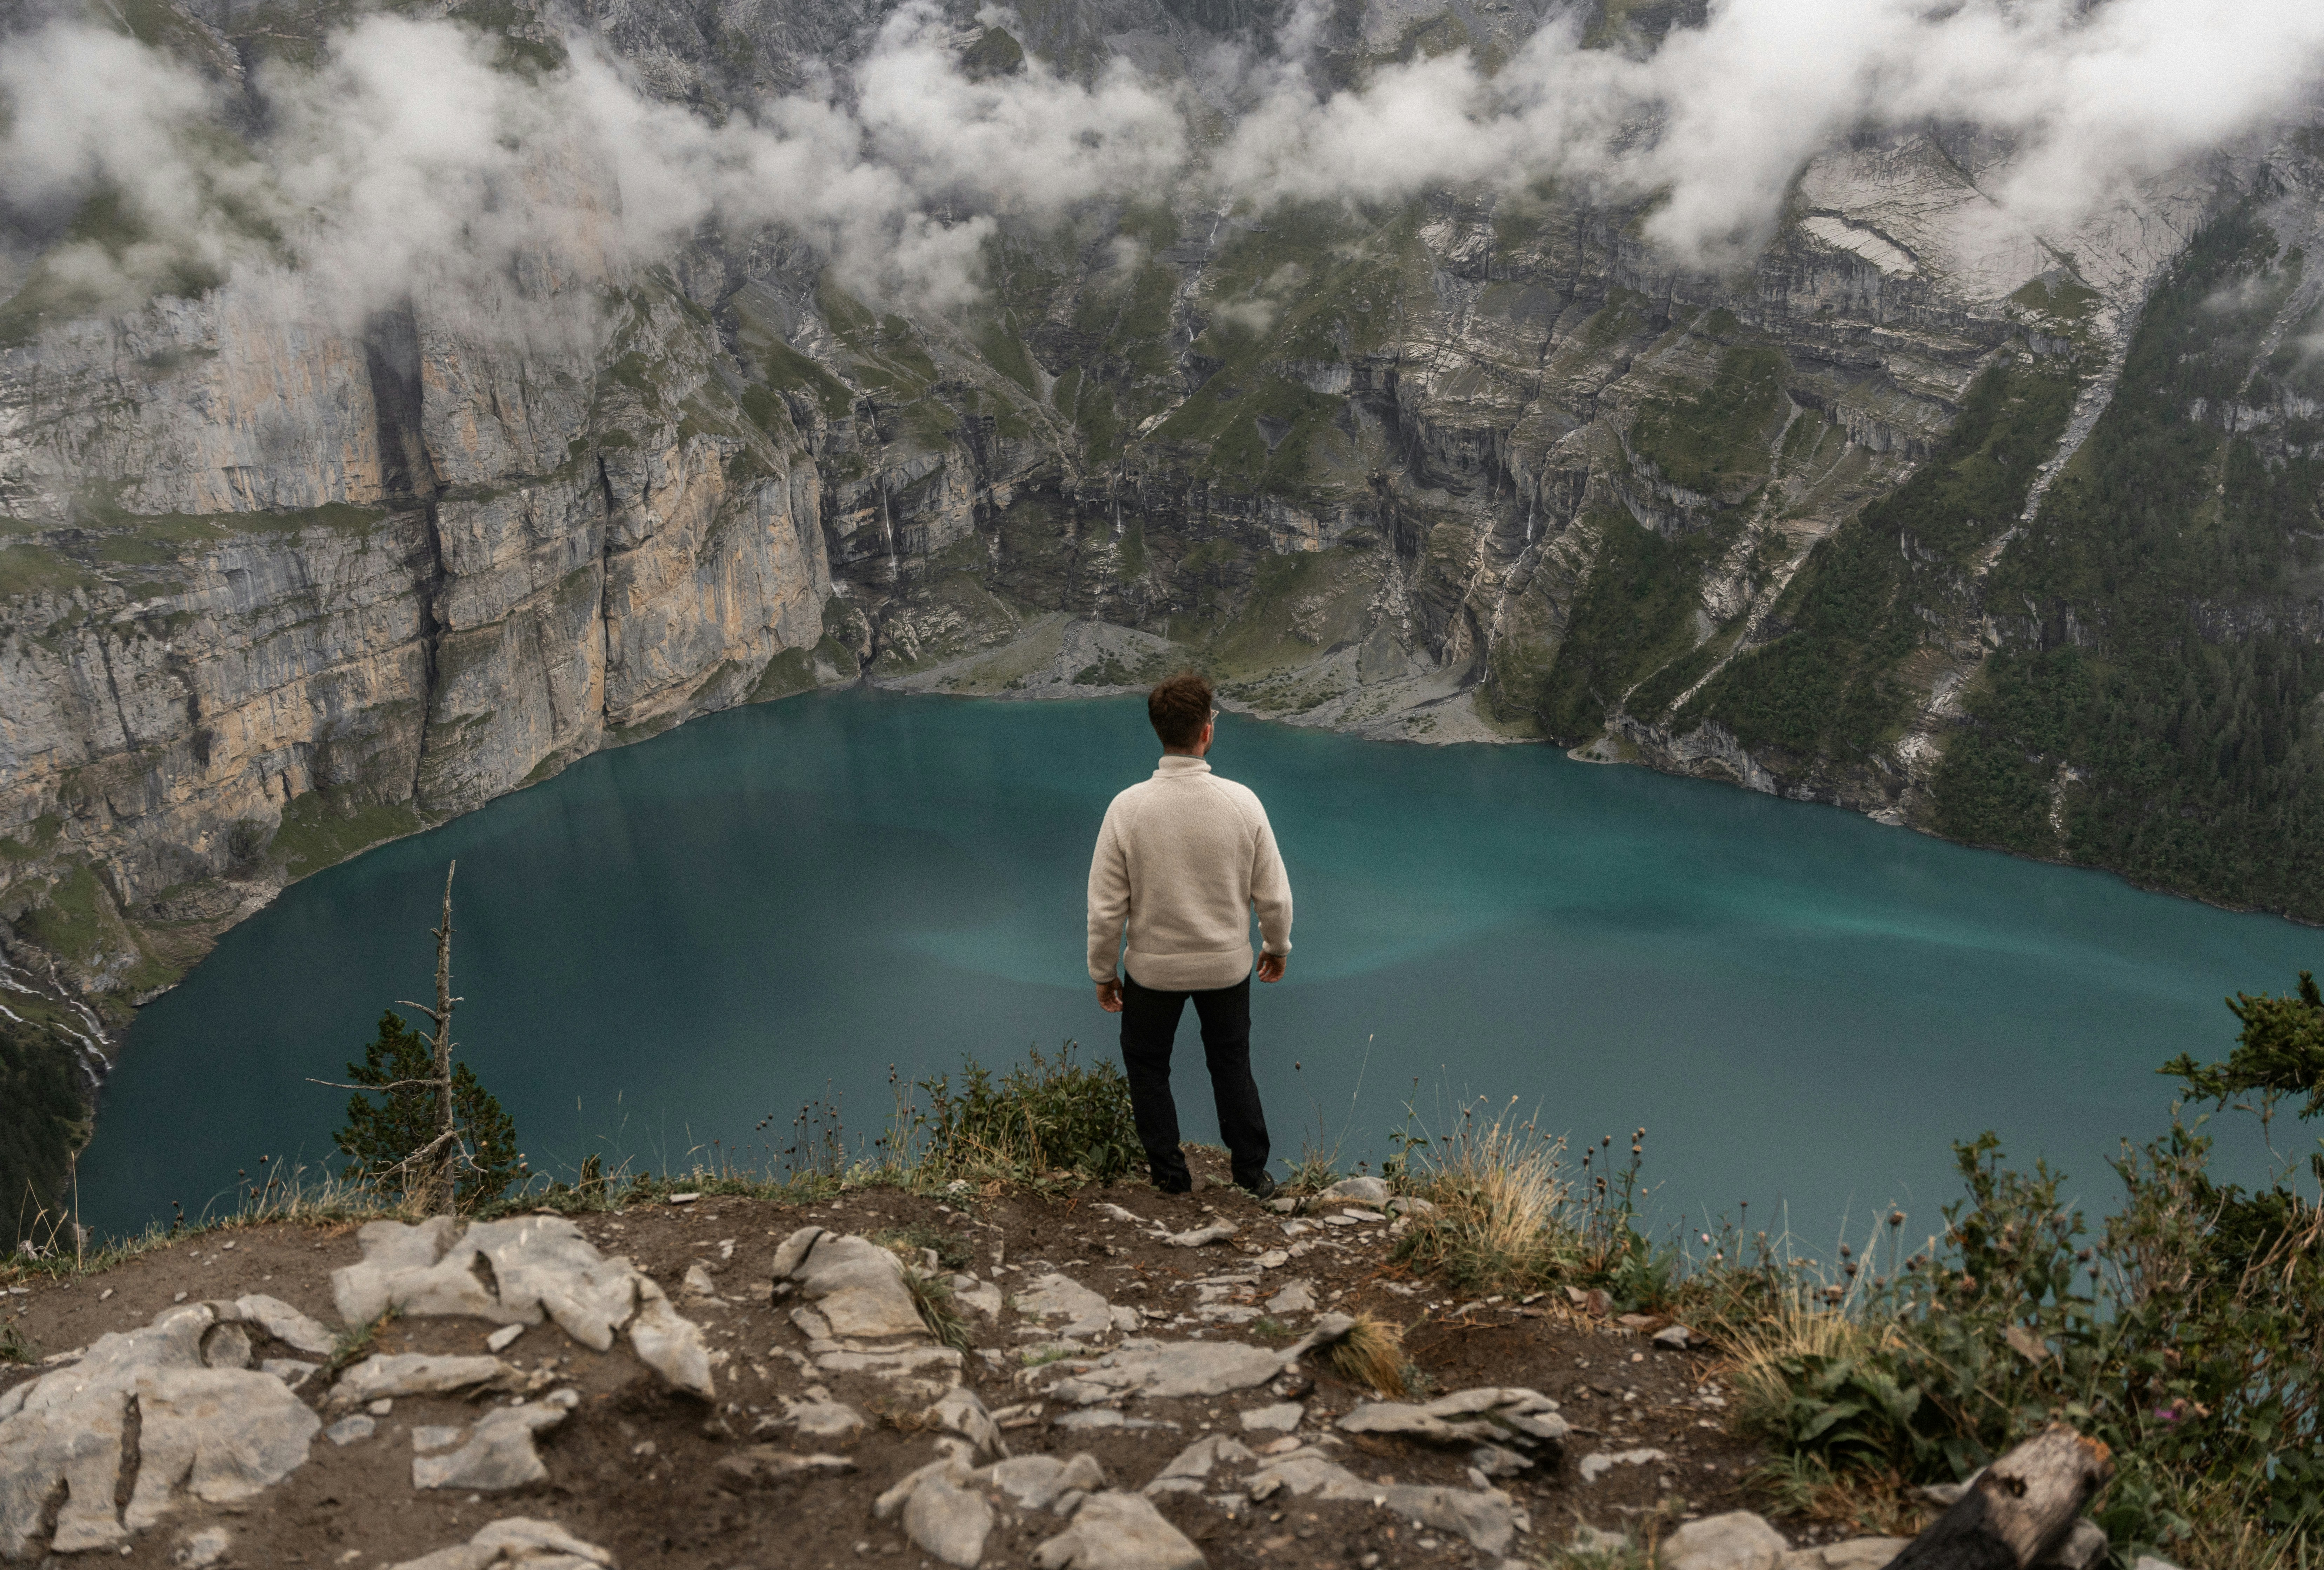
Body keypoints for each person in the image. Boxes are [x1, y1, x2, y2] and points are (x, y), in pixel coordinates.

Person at [1086, 672, 1293, 1198]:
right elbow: (1274, 894)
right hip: (1227, 966)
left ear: (1160, 733)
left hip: (1153, 970)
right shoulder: (1243, 803)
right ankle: (1251, 1174)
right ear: (1207, 732)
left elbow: (1108, 909)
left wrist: (1104, 973)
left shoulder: (1126, 809)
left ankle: (1171, 1176)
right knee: (1231, 1063)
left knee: (1148, 1064)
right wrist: (1276, 945)